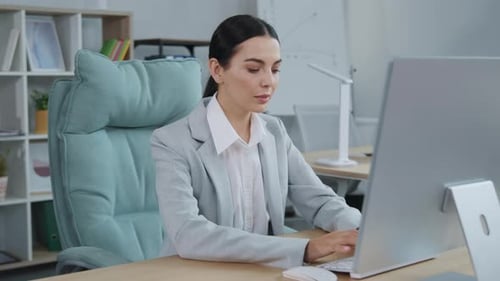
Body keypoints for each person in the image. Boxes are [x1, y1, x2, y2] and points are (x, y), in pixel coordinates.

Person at [151, 14, 361, 269]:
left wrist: (359, 229)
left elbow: (320, 201)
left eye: (275, 69)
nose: (268, 81)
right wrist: (307, 248)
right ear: (217, 70)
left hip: (258, 271)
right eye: (254, 69)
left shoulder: (274, 132)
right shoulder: (172, 142)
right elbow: (189, 234)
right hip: (195, 271)